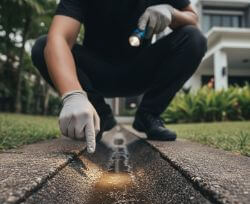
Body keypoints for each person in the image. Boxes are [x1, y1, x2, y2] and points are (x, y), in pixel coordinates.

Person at [31, 0, 207, 153]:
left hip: (140, 70)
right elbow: (59, 37)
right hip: (94, 73)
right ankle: (99, 114)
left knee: (194, 38)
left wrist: (172, 12)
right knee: (44, 45)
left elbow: (193, 18)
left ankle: (149, 115)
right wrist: (73, 94)